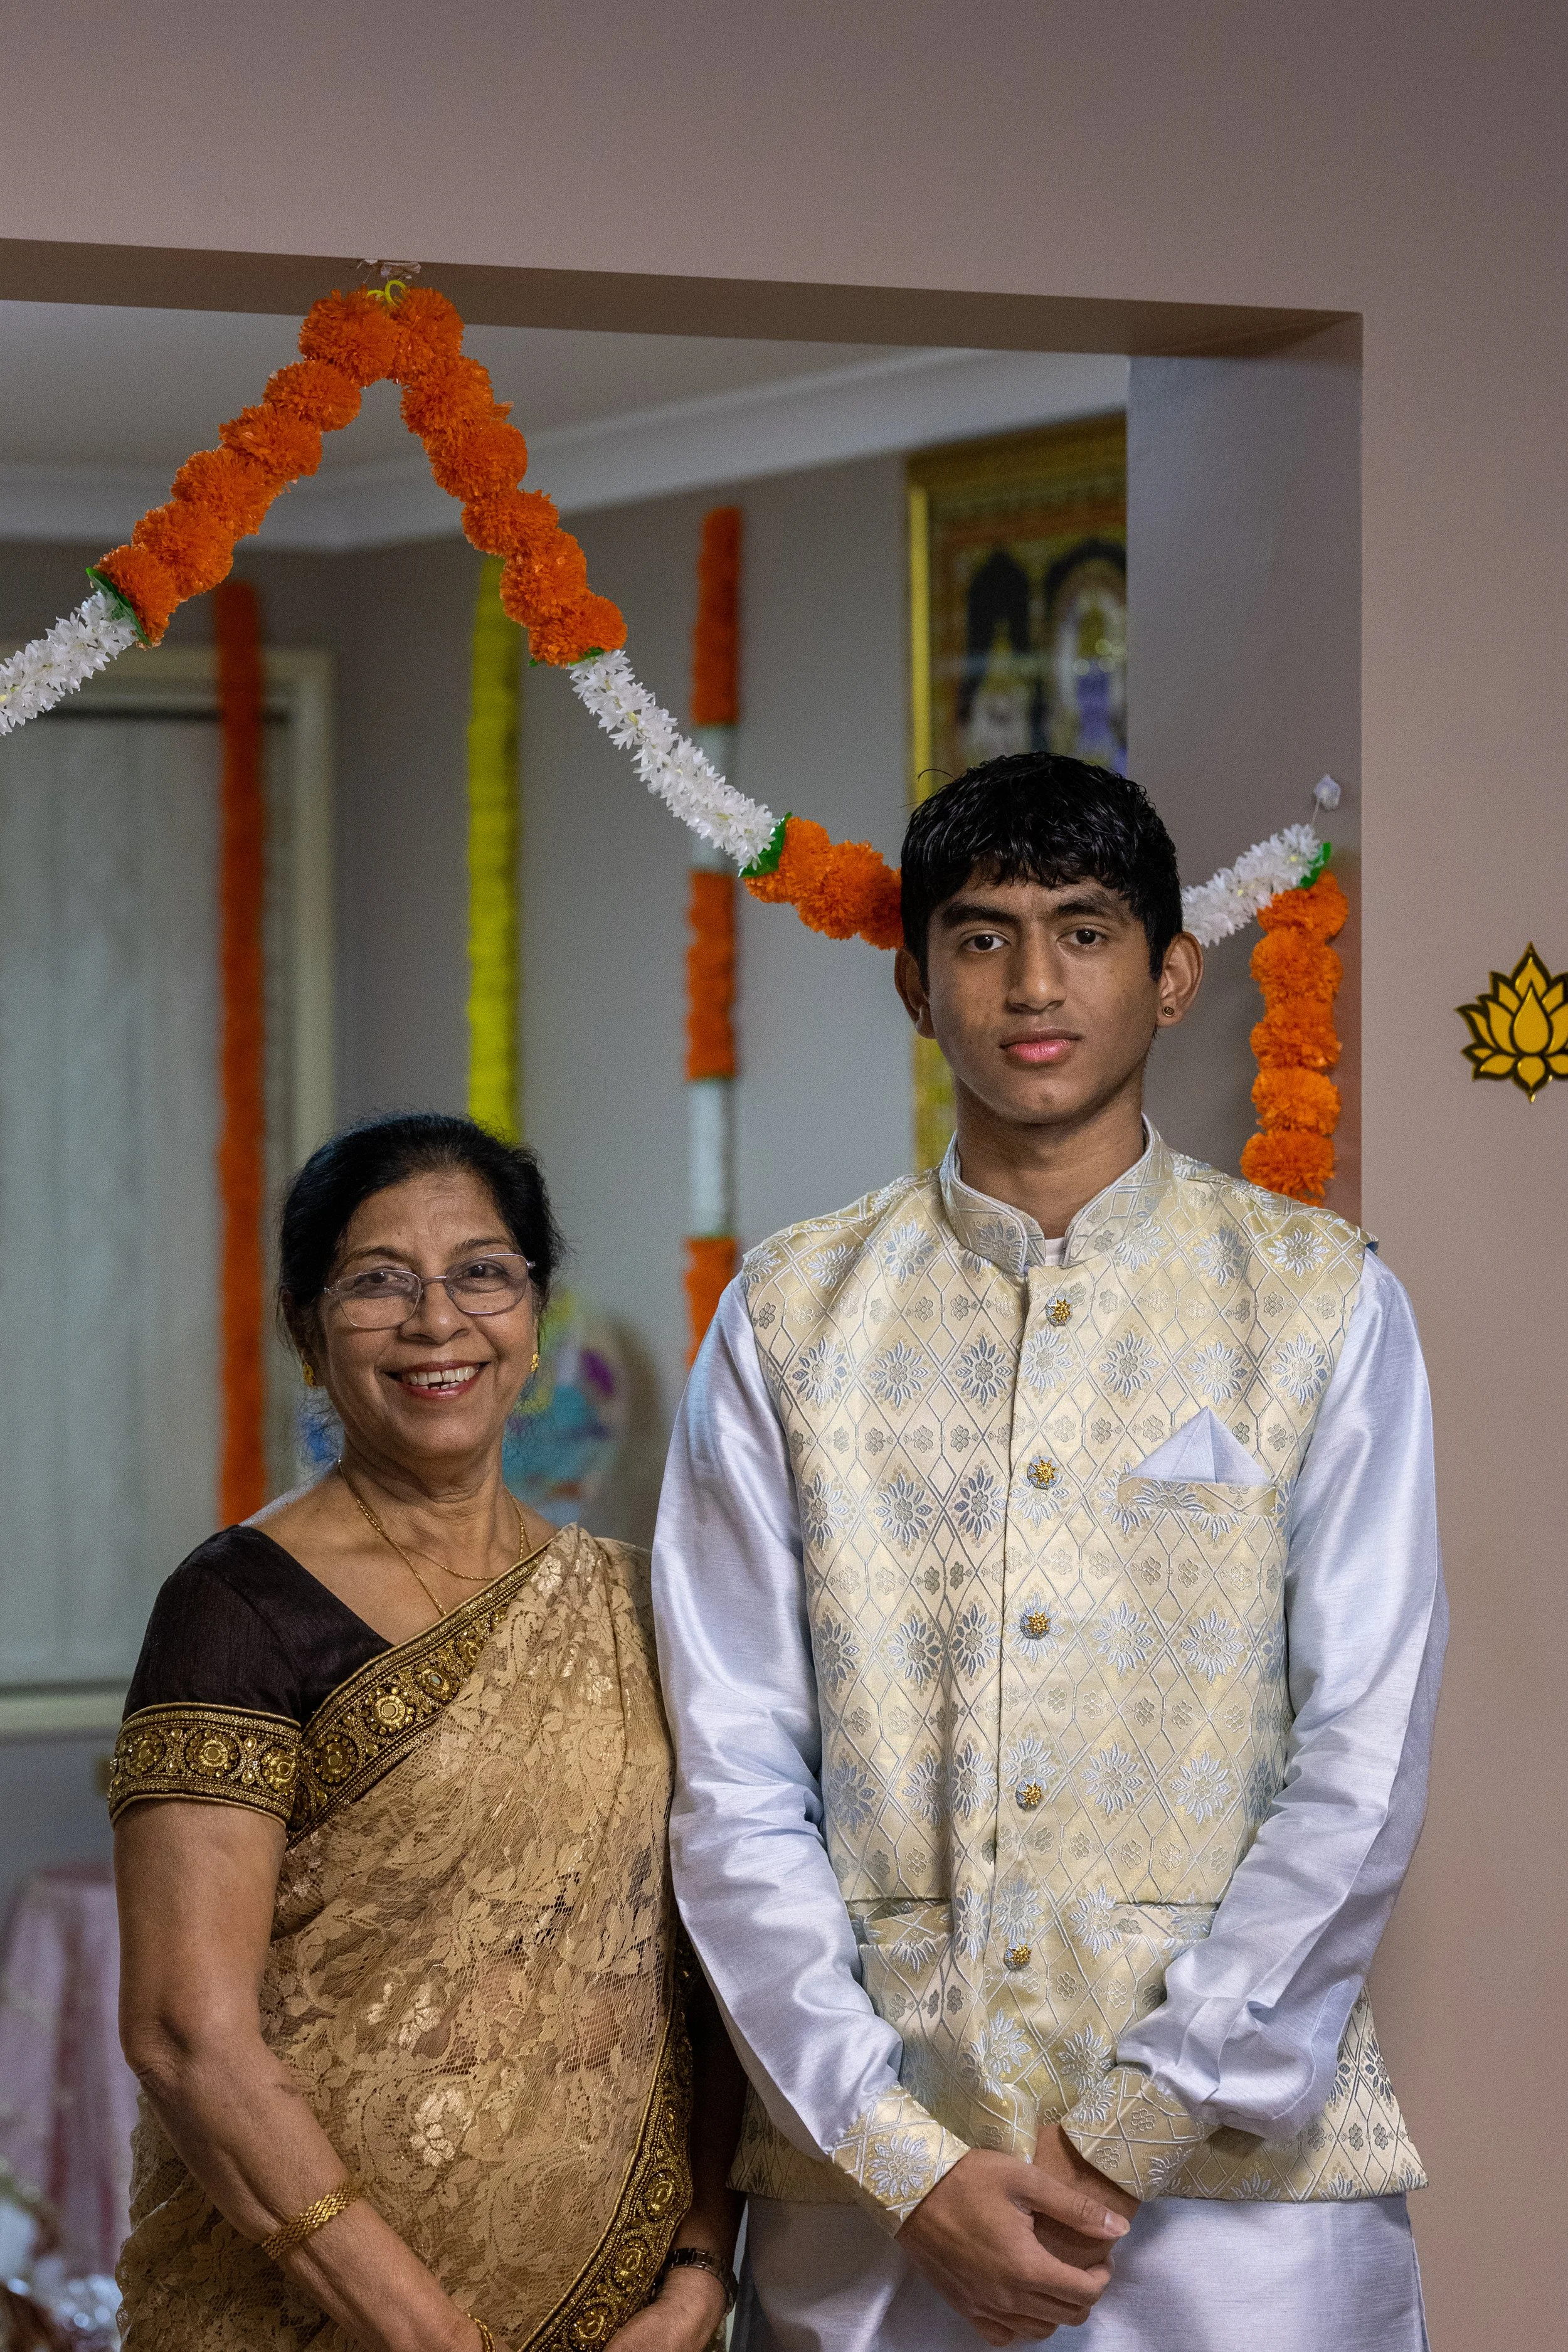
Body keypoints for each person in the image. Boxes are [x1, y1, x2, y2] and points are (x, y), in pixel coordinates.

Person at [652, 755, 1445, 2351]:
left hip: (1241, 2215)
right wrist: (893, 2152)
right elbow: (731, 1774)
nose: (1030, 983)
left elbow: (1361, 1753)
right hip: (876, 2208)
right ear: (910, 980)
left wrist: (1135, 2129)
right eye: (980, 935)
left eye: (1083, 933)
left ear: (1170, 976)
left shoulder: (1313, 1302)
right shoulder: (788, 1319)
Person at [110, 1113, 744, 2352]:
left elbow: (708, 1964)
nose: (435, 1321)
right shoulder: (237, 1603)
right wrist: (424, 2334)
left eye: (481, 1273)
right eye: (376, 1282)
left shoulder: (639, 1601)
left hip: (621, 2321)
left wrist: (699, 2274)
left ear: (534, 1314)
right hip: (305, 2318)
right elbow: (188, 2034)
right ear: (308, 1329)